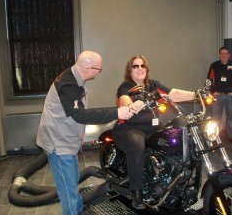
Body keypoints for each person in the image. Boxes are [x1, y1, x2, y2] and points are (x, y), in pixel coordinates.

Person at [36, 51, 134, 215]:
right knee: (68, 192)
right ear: (88, 68)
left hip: (67, 140)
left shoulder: (76, 77)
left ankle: (79, 211)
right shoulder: (68, 85)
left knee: (72, 183)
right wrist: (118, 112)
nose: (99, 72)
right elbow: (80, 115)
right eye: (99, 69)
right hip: (59, 144)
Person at [112, 55, 196, 209]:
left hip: (152, 127)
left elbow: (173, 94)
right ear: (129, 69)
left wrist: (196, 94)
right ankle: (136, 191)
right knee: (137, 145)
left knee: (176, 135)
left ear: (146, 68)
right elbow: (124, 99)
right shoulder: (126, 86)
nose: (139, 69)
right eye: (135, 66)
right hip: (129, 128)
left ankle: (174, 179)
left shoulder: (152, 84)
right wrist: (133, 104)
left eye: (142, 66)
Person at [207, 46, 232, 144]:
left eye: (225, 54)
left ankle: (231, 136)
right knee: (216, 118)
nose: (223, 55)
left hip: (230, 96)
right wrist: (212, 91)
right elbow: (209, 80)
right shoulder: (214, 65)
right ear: (219, 55)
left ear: (229, 55)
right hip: (217, 96)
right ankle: (215, 137)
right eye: (222, 53)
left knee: (231, 117)